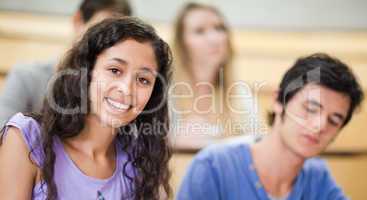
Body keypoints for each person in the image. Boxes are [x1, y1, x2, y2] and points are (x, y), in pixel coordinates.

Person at [0, 17, 172, 200]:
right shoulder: (27, 138)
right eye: (115, 70)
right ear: (87, 71)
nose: (127, 89)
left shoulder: (140, 161)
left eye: (143, 80)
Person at [177, 53, 364, 200]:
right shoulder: (214, 166)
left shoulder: (318, 177)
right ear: (278, 101)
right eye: (311, 108)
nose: (319, 126)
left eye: (334, 120)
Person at [0, 0, 132, 127]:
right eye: (99, 31)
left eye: (114, 38)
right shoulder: (26, 76)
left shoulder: (104, 89)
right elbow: (3, 133)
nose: (104, 44)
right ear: (78, 20)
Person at [170, 2, 251, 149]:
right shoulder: (165, 93)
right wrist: (172, 141)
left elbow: (255, 143)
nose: (214, 39)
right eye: (200, 31)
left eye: (219, 28)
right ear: (182, 44)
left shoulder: (239, 94)